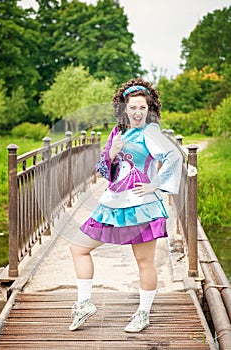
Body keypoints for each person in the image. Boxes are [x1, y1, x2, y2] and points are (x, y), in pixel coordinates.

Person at [69, 77, 182, 333]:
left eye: (143, 107)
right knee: (78, 248)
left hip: (142, 206)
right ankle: (84, 303)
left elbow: (175, 157)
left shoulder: (151, 133)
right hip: (112, 204)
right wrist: (110, 153)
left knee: (144, 262)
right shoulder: (118, 132)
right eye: (133, 107)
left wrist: (156, 185)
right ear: (124, 109)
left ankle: (143, 313)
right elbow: (104, 171)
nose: (138, 112)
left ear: (150, 109)